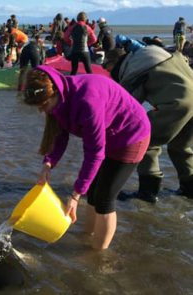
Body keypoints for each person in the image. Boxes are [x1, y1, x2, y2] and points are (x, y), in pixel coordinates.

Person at [24, 65, 150, 249]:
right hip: (108, 135)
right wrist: (48, 164)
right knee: (93, 191)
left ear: (54, 93)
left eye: (44, 105)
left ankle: (98, 256)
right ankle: (87, 237)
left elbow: (94, 153)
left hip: (131, 136)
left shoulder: (86, 102)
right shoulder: (58, 100)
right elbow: (59, 135)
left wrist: (75, 195)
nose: (41, 111)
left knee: (105, 198)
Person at [103, 46, 193, 202]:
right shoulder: (149, 52)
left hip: (178, 104)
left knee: (145, 141)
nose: (107, 71)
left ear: (115, 61)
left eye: (107, 66)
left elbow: (129, 106)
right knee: (181, 146)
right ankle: (189, 189)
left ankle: (148, 193)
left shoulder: (132, 70)